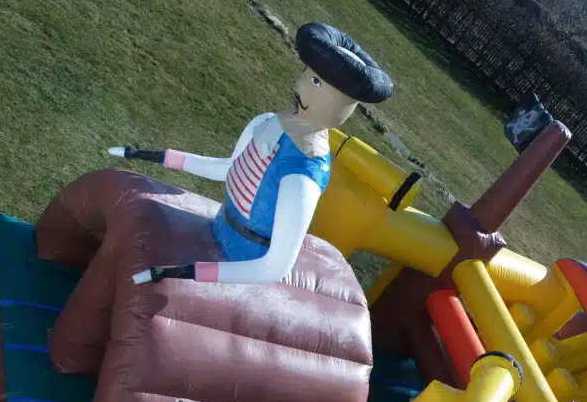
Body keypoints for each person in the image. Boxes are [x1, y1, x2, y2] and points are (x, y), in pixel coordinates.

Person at [111, 23, 393, 285]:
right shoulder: (268, 123)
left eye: (316, 83)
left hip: (240, 261)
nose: (300, 85)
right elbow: (229, 169)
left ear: (342, 107)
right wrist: (153, 155)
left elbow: (275, 267)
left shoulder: (303, 175)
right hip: (217, 228)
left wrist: (186, 272)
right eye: (308, 74)